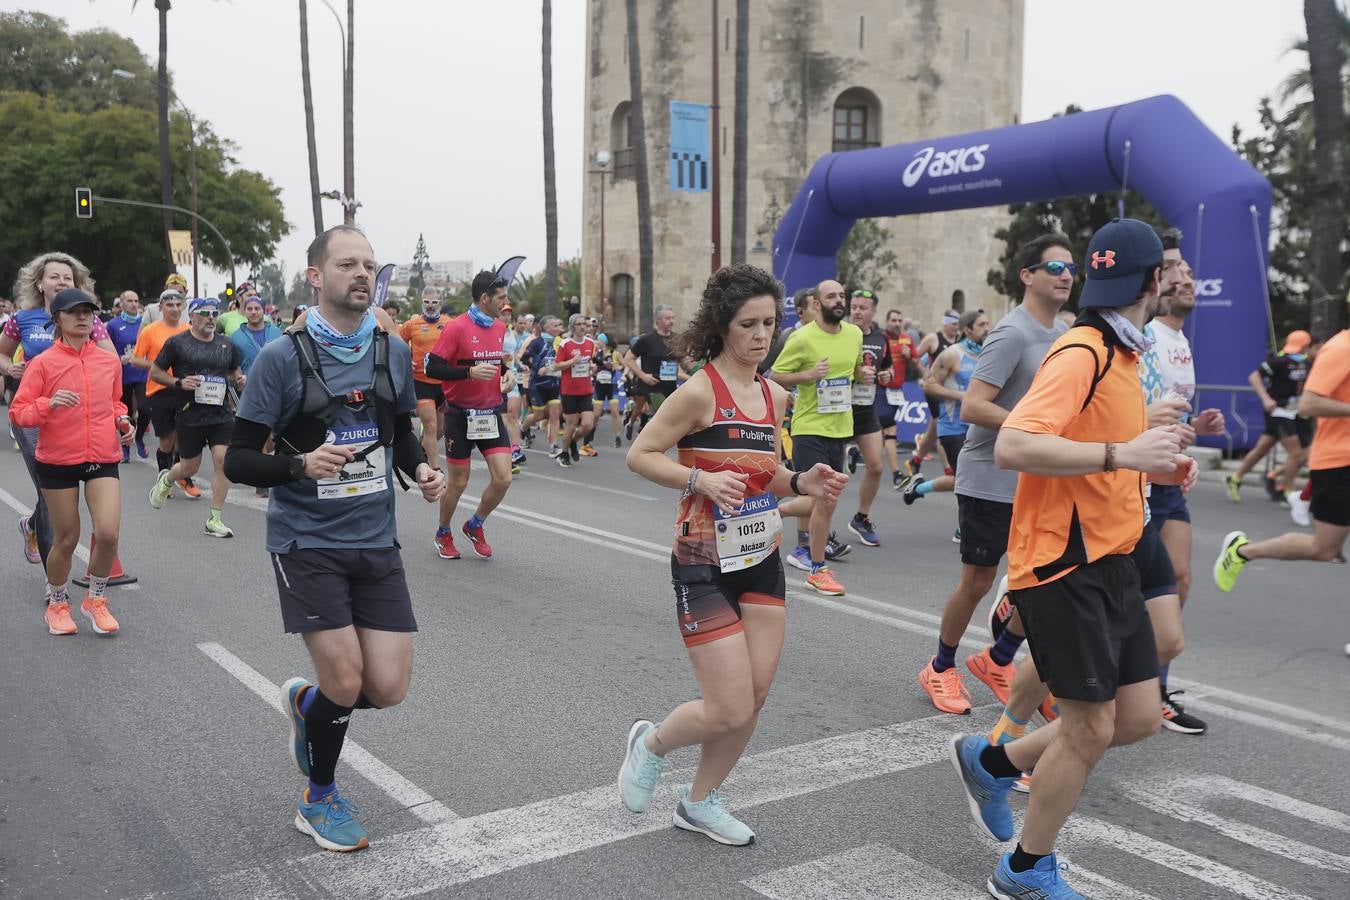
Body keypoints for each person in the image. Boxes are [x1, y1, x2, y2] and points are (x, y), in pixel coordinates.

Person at [950, 218, 1196, 899]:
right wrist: (1124, 453)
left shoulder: (1121, 354)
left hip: (1113, 554)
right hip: (1062, 566)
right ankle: (1024, 870)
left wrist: (1155, 462)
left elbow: (1101, 449)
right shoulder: (1082, 350)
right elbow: (1015, 445)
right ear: (1154, 281)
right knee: (1089, 729)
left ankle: (992, 759)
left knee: (1140, 718)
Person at [222, 224, 445, 853]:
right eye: (347, 264)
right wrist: (299, 466)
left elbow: (398, 428)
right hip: (306, 540)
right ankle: (318, 798)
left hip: (375, 539)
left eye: (369, 265)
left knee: (388, 688)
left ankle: (309, 708)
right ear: (316, 276)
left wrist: (419, 469)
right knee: (347, 681)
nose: (362, 274)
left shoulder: (390, 348)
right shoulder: (280, 357)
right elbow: (238, 460)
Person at [621, 263, 847, 846]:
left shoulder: (773, 394)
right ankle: (651, 744)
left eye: (769, 323)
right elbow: (641, 454)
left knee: (755, 696)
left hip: (760, 557)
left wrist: (804, 483)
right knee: (726, 707)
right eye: (748, 324)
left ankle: (700, 801)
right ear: (723, 327)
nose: (761, 335)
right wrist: (697, 482)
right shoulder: (698, 391)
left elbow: (767, 473)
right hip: (702, 560)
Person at [918, 235, 1071, 716]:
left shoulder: (1063, 332)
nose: (1066, 275)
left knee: (1046, 580)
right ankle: (941, 667)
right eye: (1053, 266)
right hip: (991, 473)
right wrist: (1033, 430)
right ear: (1027, 275)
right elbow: (977, 405)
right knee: (980, 581)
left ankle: (999, 659)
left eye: (1071, 267)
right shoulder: (1012, 333)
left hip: (1037, 475)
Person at [1135, 239, 1225, 734]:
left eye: (1189, 271)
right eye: (1173, 269)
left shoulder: (1179, 341)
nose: (1185, 278)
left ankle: (1156, 690)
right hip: (1139, 476)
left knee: (1180, 581)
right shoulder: (1144, 334)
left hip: (1170, 473)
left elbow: (1171, 409)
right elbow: (1133, 406)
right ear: (1154, 281)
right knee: (1120, 592)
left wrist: (1199, 428)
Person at [9, 289, 132, 635]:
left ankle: (95, 601)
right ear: (58, 319)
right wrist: (48, 405)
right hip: (58, 460)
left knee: (107, 533)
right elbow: (19, 412)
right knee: (66, 537)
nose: (82, 317)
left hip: (102, 456)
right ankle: (58, 604)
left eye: (87, 312)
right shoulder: (43, 363)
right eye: (74, 312)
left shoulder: (108, 362)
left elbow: (116, 404)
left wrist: (123, 422)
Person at [1, 252, 118, 572]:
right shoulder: (21, 318)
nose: (61, 281)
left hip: (75, 416)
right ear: (40, 283)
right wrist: (10, 369)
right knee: (46, 485)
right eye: (54, 276)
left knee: (53, 496)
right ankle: (54, 582)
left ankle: (34, 526)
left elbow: (110, 361)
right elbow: (2, 354)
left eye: (67, 277)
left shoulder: (84, 318)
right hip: (33, 412)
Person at [1214, 317, 1350, 590]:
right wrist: (1266, 399)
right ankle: (1245, 547)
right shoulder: (1339, 349)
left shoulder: (1304, 361)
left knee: (1268, 449)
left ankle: (1283, 489)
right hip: (1335, 457)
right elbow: (1310, 402)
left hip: (1296, 420)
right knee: (1323, 548)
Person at [770, 278, 864, 596]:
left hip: (841, 427)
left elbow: (854, 370)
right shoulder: (802, 338)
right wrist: (808, 376)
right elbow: (775, 376)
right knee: (823, 499)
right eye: (831, 296)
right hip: (809, 427)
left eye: (842, 295)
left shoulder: (855, 334)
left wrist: (864, 375)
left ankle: (772, 510)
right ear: (817, 302)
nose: (839, 300)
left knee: (825, 501)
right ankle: (817, 568)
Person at [424, 270, 515, 560]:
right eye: (501, 297)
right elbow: (432, 368)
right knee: (459, 483)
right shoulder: (456, 328)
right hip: (459, 415)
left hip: (490, 413)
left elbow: (494, 363)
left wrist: (508, 375)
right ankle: (443, 531)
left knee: (503, 479)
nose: (506, 302)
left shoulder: (499, 327)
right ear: (485, 298)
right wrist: (468, 373)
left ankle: (475, 525)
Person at [147, 298, 246, 538]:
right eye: (205, 313)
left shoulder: (226, 344)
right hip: (190, 413)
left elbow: (234, 371)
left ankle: (215, 518)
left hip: (221, 414)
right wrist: (178, 382)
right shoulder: (177, 343)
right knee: (190, 466)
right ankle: (167, 478)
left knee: (223, 461)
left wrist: (239, 379)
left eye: (215, 312)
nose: (212, 317)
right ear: (192, 316)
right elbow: (155, 372)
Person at [906, 310, 989, 509]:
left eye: (988, 324)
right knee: (967, 481)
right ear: (967, 330)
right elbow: (929, 385)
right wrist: (962, 396)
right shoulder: (952, 354)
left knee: (971, 479)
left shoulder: (988, 354)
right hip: (953, 427)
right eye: (982, 325)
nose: (987, 329)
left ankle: (918, 488)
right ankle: (964, 528)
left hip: (979, 426)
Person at [1225, 328, 1315, 503]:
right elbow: (1254, 377)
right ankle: (1288, 491)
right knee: (1296, 454)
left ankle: (1235, 478)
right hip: (1278, 412)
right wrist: (1266, 399)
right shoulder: (1278, 361)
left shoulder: (1307, 363)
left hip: (1295, 413)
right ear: (1304, 345)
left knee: (1262, 449)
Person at [130, 290, 199, 497]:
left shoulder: (190, 329)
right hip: (160, 389)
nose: (175, 309)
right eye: (170, 305)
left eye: (179, 305)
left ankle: (183, 477)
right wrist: (159, 365)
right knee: (167, 439)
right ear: (160, 307)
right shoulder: (150, 331)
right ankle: (164, 477)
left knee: (184, 436)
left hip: (185, 388)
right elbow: (136, 359)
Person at [842, 288, 893, 546]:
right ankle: (816, 531)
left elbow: (887, 368)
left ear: (873, 311)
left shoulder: (881, 338)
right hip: (838, 411)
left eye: (863, 307)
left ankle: (861, 518)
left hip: (865, 410)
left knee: (876, 466)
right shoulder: (840, 333)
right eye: (854, 306)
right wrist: (854, 375)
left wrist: (887, 376)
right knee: (826, 475)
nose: (857, 311)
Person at [398, 287, 453, 470]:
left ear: (440, 303)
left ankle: (423, 448)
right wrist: (406, 362)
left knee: (440, 430)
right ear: (422, 302)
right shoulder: (412, 324)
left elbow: (460, 346)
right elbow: (395, 344)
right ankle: (435, 468)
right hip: (421, 382)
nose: (430, 306)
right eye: (427, 302)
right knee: (429, 425)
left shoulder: (449, 324)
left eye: (434, 302)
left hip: (444, 383)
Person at [623, 305, 687, 439]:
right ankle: (634, 428)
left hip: (669, 386)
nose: (671, 321)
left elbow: (682, 361)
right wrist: (643, 376)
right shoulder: (647, 340)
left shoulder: (676, 339)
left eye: (672, 318)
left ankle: (642, 435)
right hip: (650, 386)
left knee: (661, 417)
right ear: (658, 320)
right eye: (667, 318)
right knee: (644, 410)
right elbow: (628, 359)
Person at [910, 310, 960, 479]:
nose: (956, 327)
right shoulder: (933, 338)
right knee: (941, 425)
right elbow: (914, 356)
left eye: (957, 324)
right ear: (945, 323)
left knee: (933, 429)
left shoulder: (959, 340)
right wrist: (924, 372)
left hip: (951, 390)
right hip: (933, 389)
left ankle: (916, 460)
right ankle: (948, 469)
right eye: (953, 324)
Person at [878, 307, 919, 489]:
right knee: (889, 431)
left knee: (885, 433)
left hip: (897, 391)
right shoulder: (880, 338)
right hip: (879, 390)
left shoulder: (907, 340)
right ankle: (895, 473)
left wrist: (909, 357)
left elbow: (916, 364)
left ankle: (861, 454)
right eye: (893, 320)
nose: (896, 324)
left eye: (899, 321)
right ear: (886, 321)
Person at [106, 290, 148, 463]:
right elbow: (104, 349)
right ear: (121, 304)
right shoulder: (113, 325)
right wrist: (118, 358)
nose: (133, 304)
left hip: (141, 373)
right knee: (126, 412)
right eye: (129, 301)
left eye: (136, 300)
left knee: (145, 408)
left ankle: (138, 437)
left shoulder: (145, 324)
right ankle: (125, 447)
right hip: (122, 375)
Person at [554, 314, 597, 468]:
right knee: (571, 425)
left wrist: (593, 367)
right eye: (578, 324)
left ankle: (572, 442)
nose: (582, 327)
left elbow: (590, 363)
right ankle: (564, 453)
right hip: (569, 390)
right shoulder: (565, 344)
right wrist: (572, 361)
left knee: (587, 424)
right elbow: (556, 365)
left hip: (585, 389)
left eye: (584, 324)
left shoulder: (591, 343)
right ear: (572, 327)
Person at [521, 316, 564, 455]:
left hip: (554, 383)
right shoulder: (537, 342)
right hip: (537, 384)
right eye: (555, 325)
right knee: (538, 415)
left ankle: (554, 445)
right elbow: (524, 358)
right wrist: (535, 368)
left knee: (555, 414)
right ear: (546, 328)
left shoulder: (561, 343)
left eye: (559, 325)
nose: (558, 328)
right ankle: (523, 428)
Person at [499, 304, 527, 471]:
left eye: (509, 314)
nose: (506, 317)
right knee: (502, 416)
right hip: (497, 377)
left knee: (513, 414)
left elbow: (514, 353)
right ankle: (503, 449)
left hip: (512, 375)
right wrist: (499, 356)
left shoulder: (510, 333)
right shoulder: (492, 330)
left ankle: (515, 449)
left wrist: (520, 364)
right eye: (503, 314)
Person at [231, 294, 285, 374]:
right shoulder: (236, 337)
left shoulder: (277, 333)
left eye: (257, 308)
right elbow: (231, 367)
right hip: (248, 385)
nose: (253, 312)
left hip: (275, 384)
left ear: (263, 311)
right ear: (244, 312)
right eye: (249, 309)